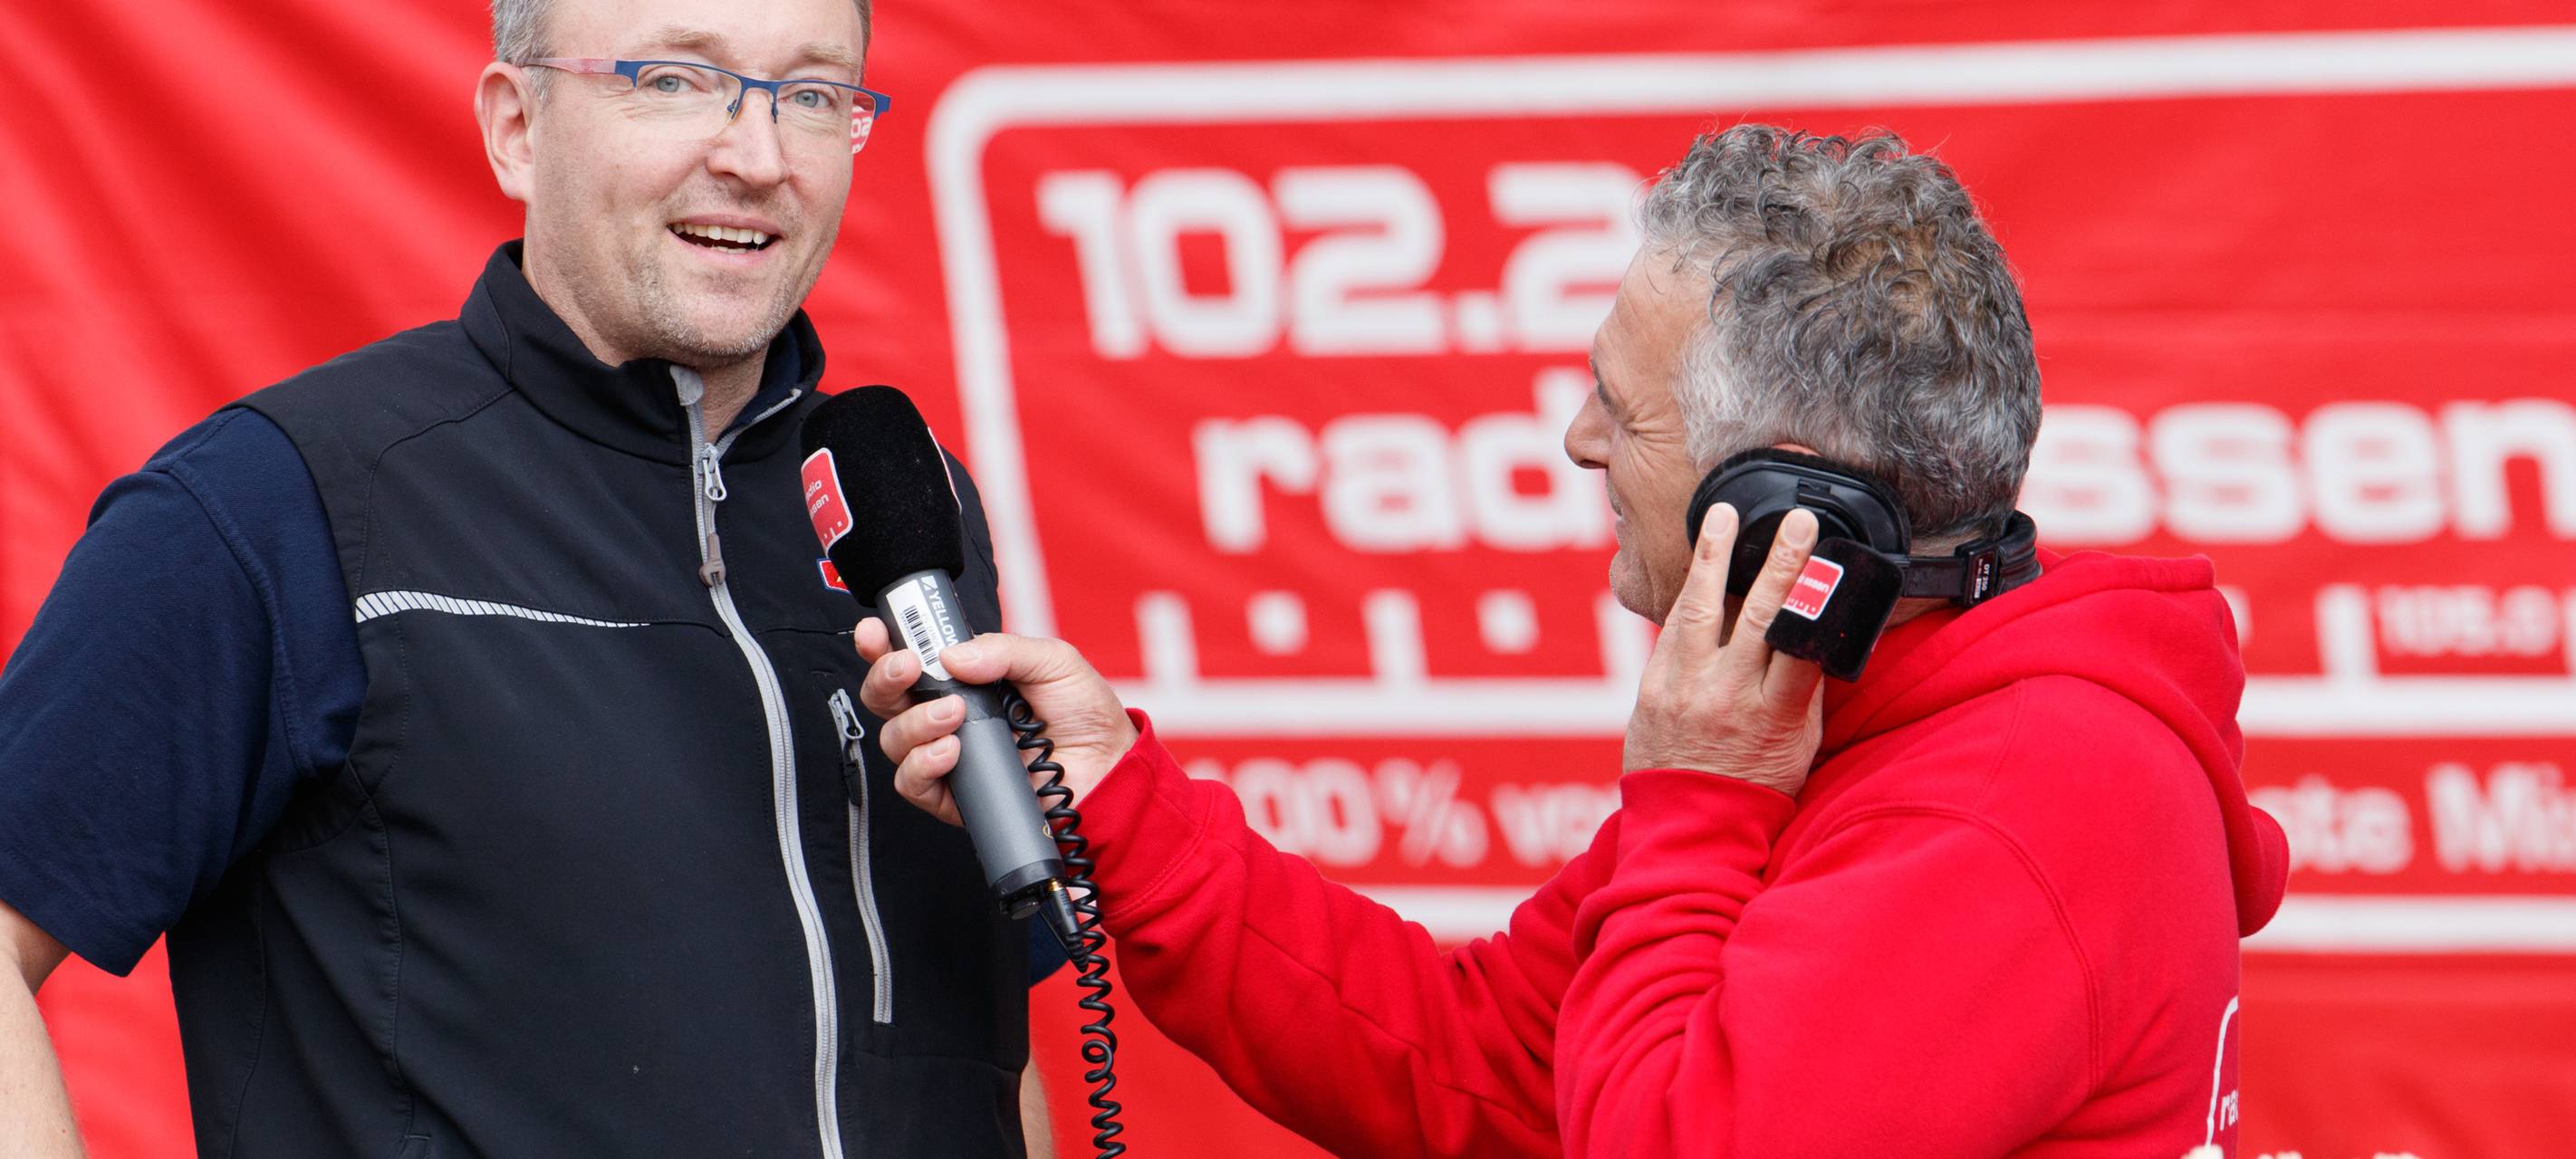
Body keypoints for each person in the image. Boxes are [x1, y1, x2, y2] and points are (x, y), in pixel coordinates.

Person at [855, 127, 2292, 1157]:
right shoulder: (1837, 713)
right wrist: (1119, 806)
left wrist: (1697, 800)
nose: (1577, 438)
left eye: (1623, 406)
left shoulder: (2010, 808)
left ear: (1784, 514)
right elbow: (1478, 1064)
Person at [0, 1, 1064, 1155]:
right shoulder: (283, 496)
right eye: (673, 81)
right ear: (517, 125)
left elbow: (982, 1040)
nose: (758, 158)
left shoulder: (903, 512)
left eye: (811, 95)